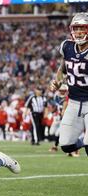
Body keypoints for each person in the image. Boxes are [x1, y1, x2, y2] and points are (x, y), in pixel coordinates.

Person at [50, 12, 88, 156]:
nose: (78, 32)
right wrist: (58, 81)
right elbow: (63, 68)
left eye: (83, 28)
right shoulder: (67, 46)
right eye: (76, 28)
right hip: (73, 102)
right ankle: (83, 143)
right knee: (66, 145)